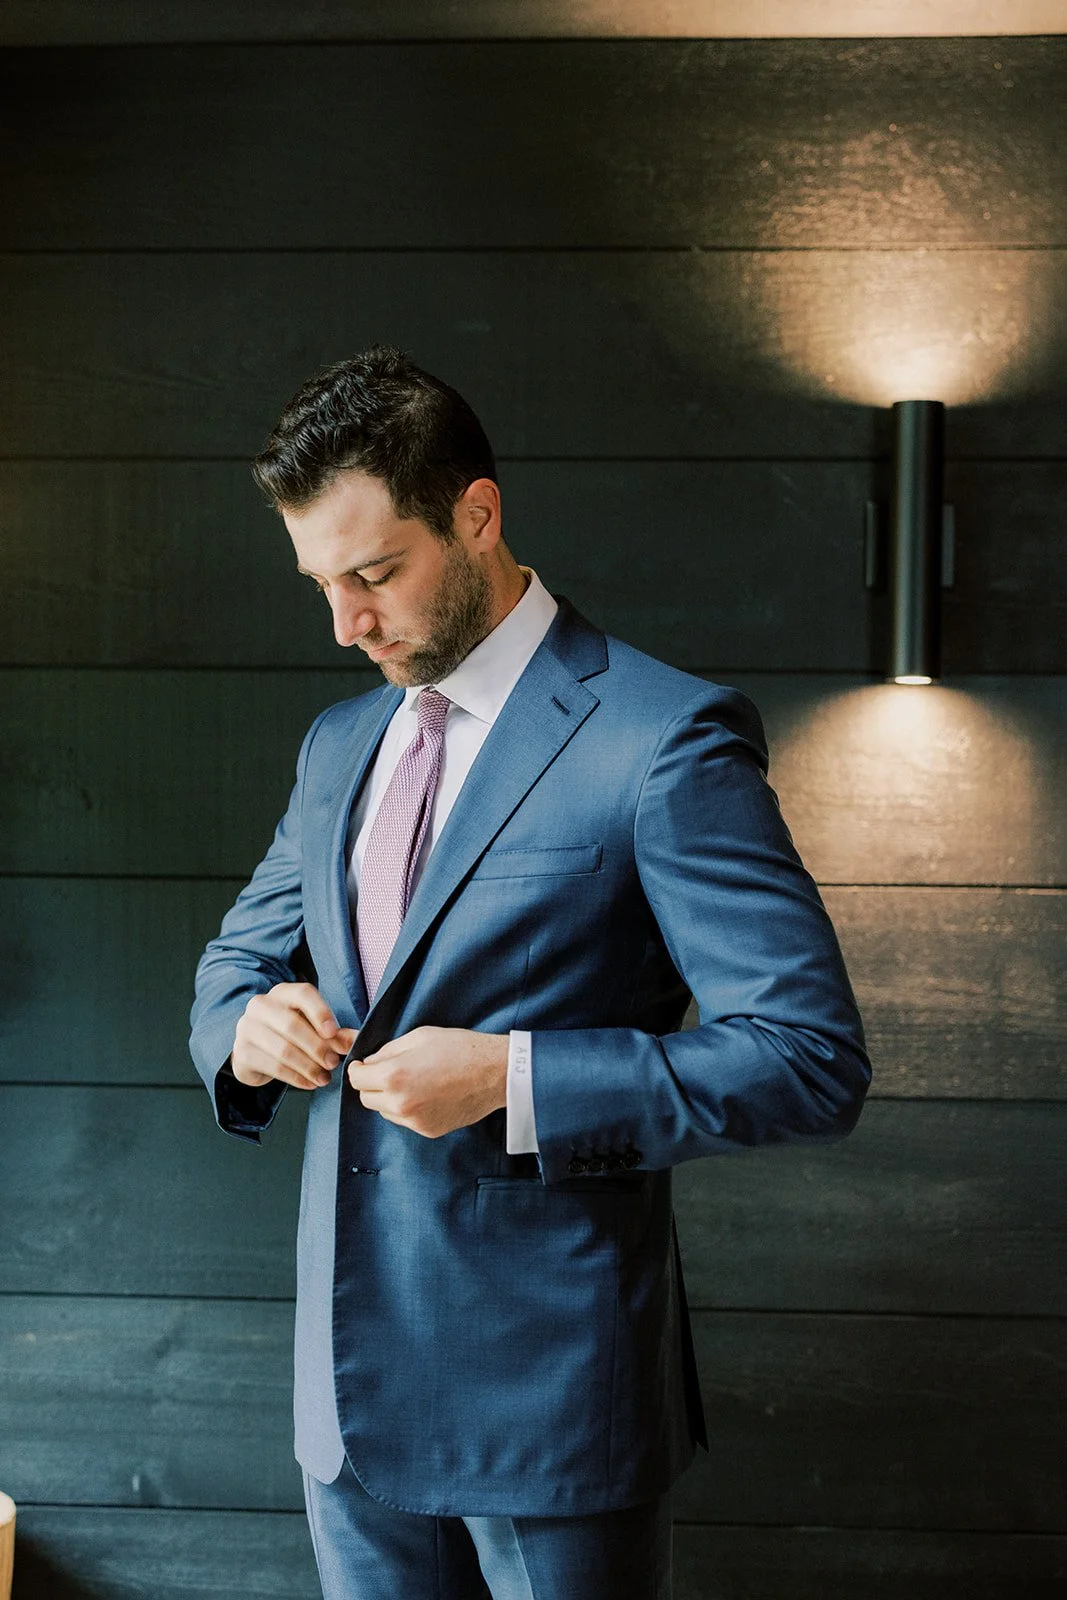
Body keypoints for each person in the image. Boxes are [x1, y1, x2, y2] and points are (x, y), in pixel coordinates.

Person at [189, 345, 870, 1600]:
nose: (346, 624)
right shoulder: (337, 744)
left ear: (477, 515)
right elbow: (236, 960)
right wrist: (247, 1025)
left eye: (374, 574)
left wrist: (512, 1078)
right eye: (320, 584)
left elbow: (807, 1059)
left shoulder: (663, 739)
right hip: (343, 1413)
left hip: (553, 1408)